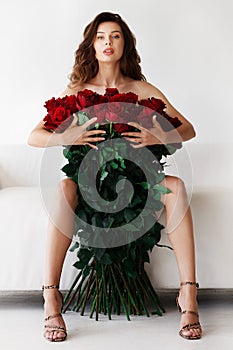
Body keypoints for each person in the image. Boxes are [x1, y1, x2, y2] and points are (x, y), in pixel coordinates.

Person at [28, 12, 202, 342]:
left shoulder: (142, 88)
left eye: (116, 36)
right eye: (101, 36)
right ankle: (51, 296)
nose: (108, 42)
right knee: (65, 185)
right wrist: (68, 137)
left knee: (176, 187)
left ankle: (188, 297)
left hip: (135, 184)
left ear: (125, 44)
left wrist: (155, 137)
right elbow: (34, 137)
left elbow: (188, 129)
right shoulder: (78, 91)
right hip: (89, 185)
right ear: (91, 45)